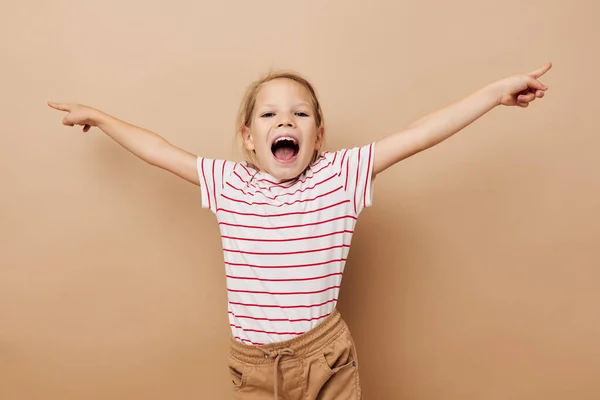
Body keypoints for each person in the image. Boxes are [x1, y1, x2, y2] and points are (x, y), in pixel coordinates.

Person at [48, 63, 552, 399]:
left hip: (326, 358)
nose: (284, 119)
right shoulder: (229, 184)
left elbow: (419, 134)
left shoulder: (340, 176)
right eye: (268, 114)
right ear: (248, 138)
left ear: (318, 136)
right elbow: (159, 150)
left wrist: (493, 94)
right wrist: (101, 117)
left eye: (300, 113)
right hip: (254, 367)